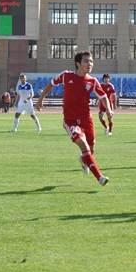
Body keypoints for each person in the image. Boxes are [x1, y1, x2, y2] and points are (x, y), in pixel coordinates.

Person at [35, 51, 110, 187]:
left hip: (87, 119)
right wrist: (41, 99)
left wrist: (109, 110)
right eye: (86, 61)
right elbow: (51, 83)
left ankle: (83, 159)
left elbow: (103, 97)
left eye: (91, 61)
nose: (90, 64)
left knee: (90, 151)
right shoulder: (66, 76)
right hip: (71, 121)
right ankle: (100, 177)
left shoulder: (93, 81)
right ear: (78, 64)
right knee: (84, 145)